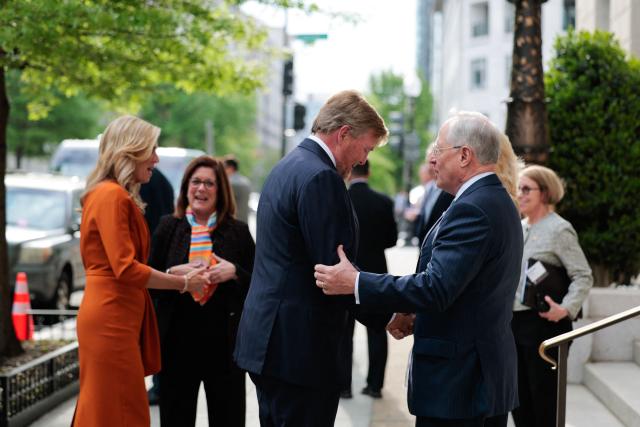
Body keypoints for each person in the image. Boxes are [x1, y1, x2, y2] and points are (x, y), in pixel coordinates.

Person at [315, 111, 524, 427]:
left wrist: (356, 282)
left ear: (465, 155)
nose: (433, 161)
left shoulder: (474, 208)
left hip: (461, 385)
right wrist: (415, 313)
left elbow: (437, 287)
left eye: (439, 151)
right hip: (473, 379)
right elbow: (463, 290)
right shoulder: (489, 200)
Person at [234, 90, 390, 426]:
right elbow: (335, 274)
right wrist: (389, 315)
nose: (364, 160)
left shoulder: (287, 166)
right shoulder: (322, 177)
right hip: (299, 353)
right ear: (343, 133)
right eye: (366, 147)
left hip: (271, 345)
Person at [72, 115, 209, 426]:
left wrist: (175, 271)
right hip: (112, 317)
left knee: (111, 408)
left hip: (114, 313)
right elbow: (124, 269)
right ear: (130, 151)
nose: (156, 159)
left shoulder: (110, 194)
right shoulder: (111, 196)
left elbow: (120, 265)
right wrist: (183, 282)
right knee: (119, 410)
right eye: (152, 150)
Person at [148, 155, 255, 427]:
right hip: (176, 344)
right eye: (195, 182)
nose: (201, 189)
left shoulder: (239, 232)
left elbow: (258, 285)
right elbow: (147, 280)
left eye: (209, 183)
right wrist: (174, 274)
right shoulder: (167, 227)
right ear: (185, 187)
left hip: (225, 346)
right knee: (175, 418)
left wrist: (235, 272)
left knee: (228, 418)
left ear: (221, 191)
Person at [511, 165, 593, 427]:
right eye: (518, 189)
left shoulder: (560, 229)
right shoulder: (519, 227)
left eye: (526, 189)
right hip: (513, 325)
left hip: (545, 326)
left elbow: (583, 275)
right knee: (518, 399)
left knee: (543, 402)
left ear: (545, 193)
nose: (520, 194)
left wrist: (566, 309)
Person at [340, 160, 398, 399]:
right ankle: (374, 385)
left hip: (346, 272)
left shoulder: (340, 199)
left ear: (350, 171)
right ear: (369, 172)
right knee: (378, 329)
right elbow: (392, 239)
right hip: (375, 272)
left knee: (344, 331)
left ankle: (344, 385)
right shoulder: (384, 202)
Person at [140, 167, 174, 406]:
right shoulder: (159, 180)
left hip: (149, 268)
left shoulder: (150, 181)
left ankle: (160, 384)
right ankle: (160, 383)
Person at [409, 145, 454, 244]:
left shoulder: (450, 190)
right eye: (429, 162)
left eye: (433, 162)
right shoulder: (429, 189)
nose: (430, 167)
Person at [223, 155, 251, 223]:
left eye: (224, 168)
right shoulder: (246, 181)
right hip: (244, 222)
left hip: (232, 224)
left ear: (231, 168)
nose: (223, 171)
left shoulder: (230, 183)